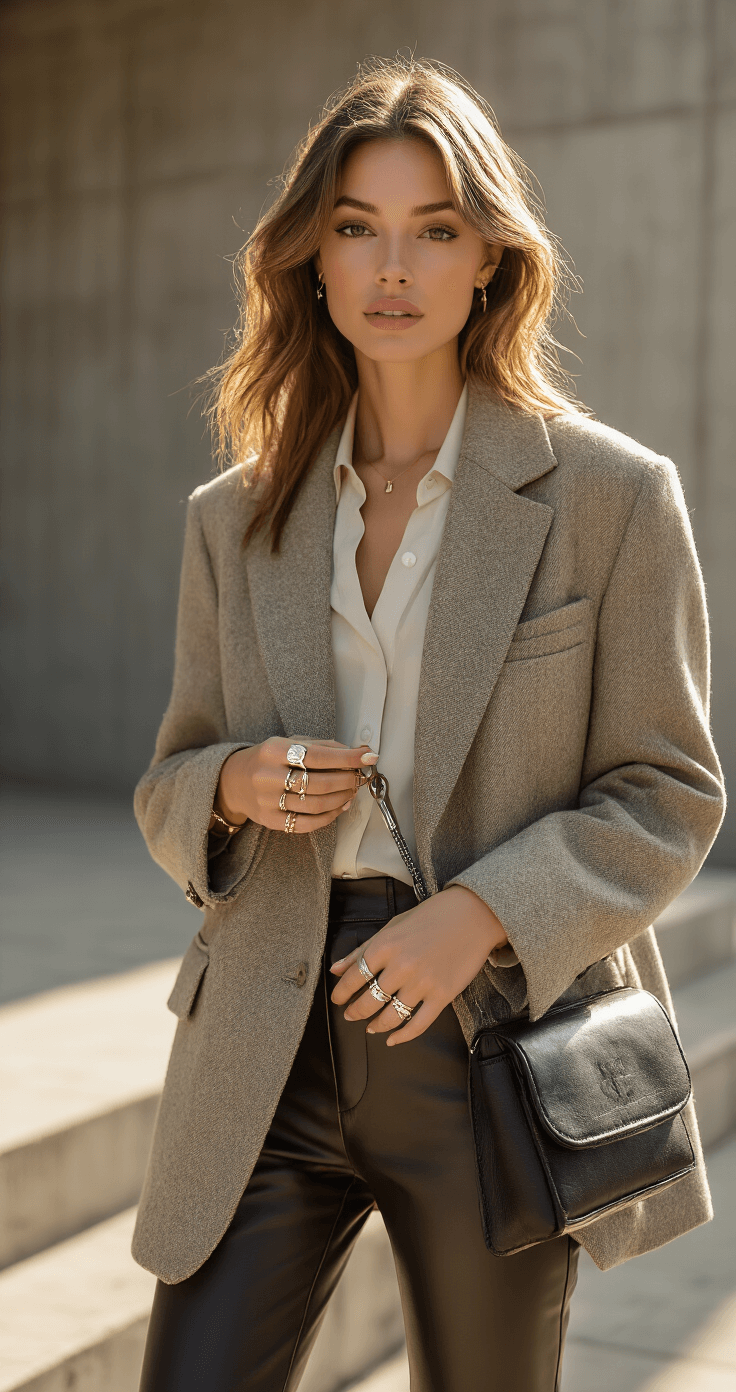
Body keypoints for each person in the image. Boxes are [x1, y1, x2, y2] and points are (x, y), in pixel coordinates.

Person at [133, 58, 725, 1392]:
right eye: (358, 226)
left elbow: (668, 791)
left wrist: (481, 915)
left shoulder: (612, 497)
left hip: (490, 1039)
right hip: (264, 1045)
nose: (392, 267)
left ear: (491, 260)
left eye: (434, 229)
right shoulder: (233, 518)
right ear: (313, 256)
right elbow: (168, 781)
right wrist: (232, 784)